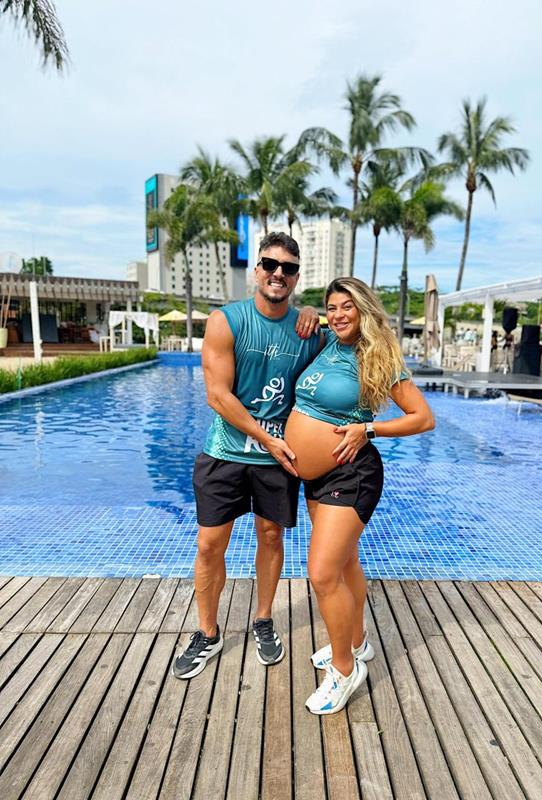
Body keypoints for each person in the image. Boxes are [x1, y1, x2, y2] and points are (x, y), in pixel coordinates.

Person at [172, 232, 321, 679]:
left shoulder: (307, 331)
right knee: (208, 545)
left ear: (296, 277)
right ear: (257, 271)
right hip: (226, 451)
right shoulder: (226, 320)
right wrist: (266, 439)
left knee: (271, 538)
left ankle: (263, 619)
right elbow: (217, 396)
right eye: (270, 265)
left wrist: (312, 312)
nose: (278, 273)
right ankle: (208, 632)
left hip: (278, 457)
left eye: (288, 268)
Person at [285, 277, 435, 714]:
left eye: (346, 306)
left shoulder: (377, 354)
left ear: (363, 309)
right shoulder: (328, 343)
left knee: (322, 573)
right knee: (346, 562)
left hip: (351, 473)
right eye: (331, 307)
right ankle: (357, 641)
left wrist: (368, 429)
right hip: (317, 477)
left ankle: (345, 670)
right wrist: (308, 312)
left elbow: (423, 418)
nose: (338, 315)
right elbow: (299, 320)